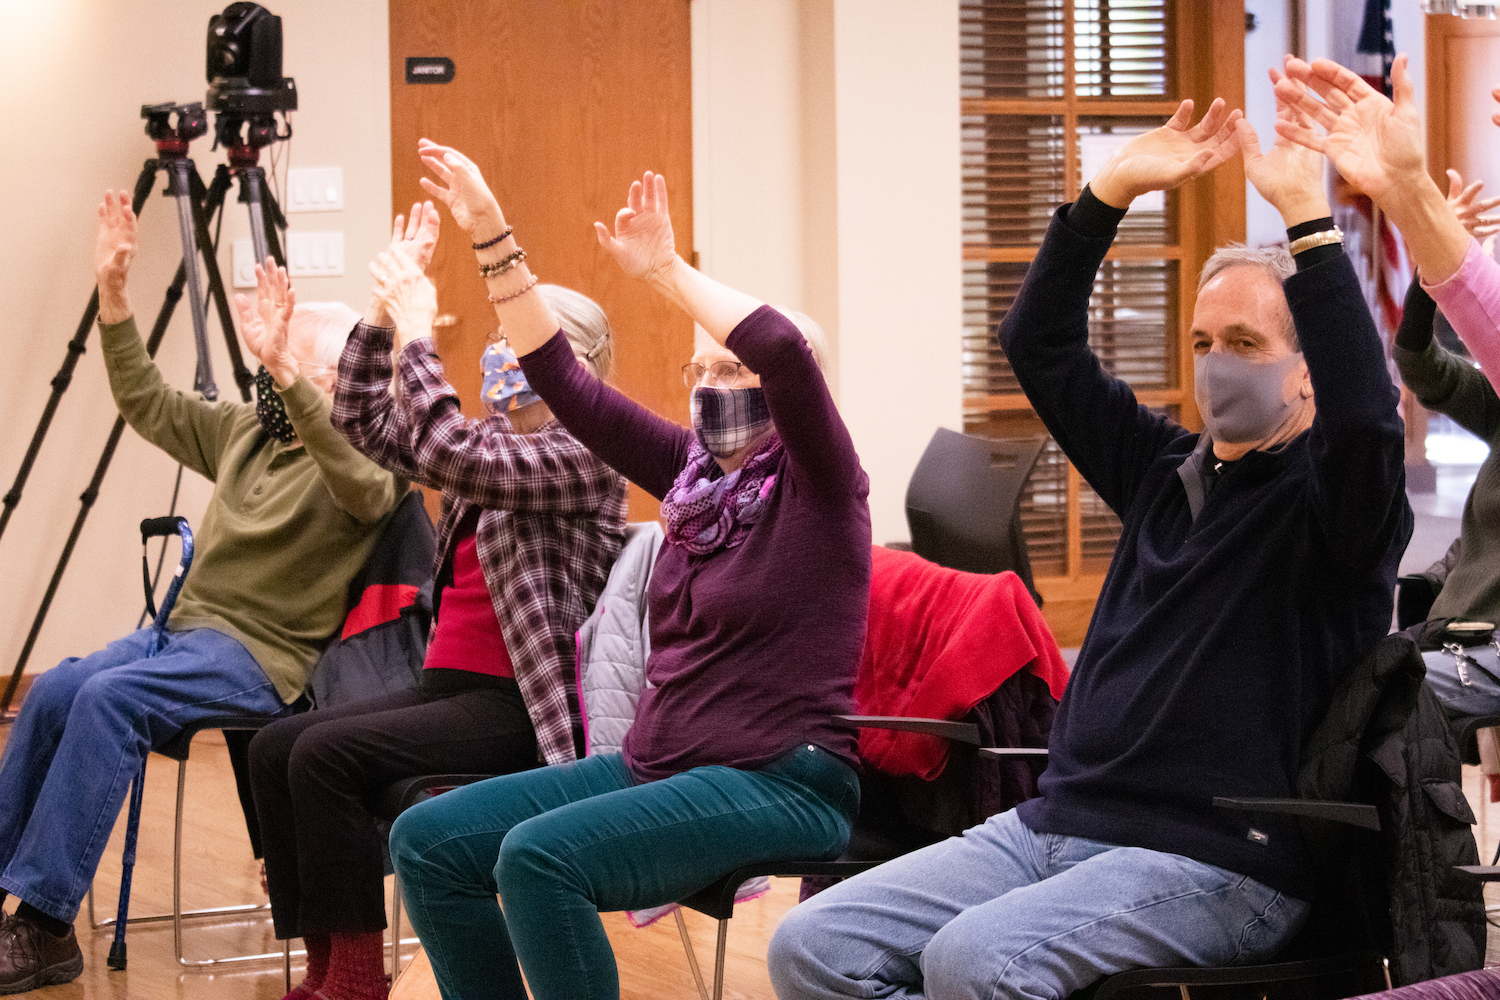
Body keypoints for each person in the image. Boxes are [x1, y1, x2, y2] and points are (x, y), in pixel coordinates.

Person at [769, 85, 1411, 1000]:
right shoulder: (1163, 468)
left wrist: (1309, 219)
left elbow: (1370, 424)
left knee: (974, 962)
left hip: (1226, 859)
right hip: (1057, 824)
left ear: (1308, 372)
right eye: (1200, 341)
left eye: (1242, 341)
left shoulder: (1338, 507)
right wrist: (1106, 190)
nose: (1215, 363)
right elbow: (1039, 343)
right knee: (811, 944)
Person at [380, 143, 868, 1000]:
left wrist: (667, 270)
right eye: (703, 370)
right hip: (661, 764)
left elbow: (784, 349)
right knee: (428, 839)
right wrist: (493, 234)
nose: (715, 386)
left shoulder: (824, 486)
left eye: (734, 367)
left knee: (539, 858)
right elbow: (564, 382)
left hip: (784, 779)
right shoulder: (690, 477)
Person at [0, 191, 403, 994]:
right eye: (266, 360)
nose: (266, 376)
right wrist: (114, 300)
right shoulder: (247, 432)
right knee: (56, 692)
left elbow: (367, 493)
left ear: (331, 382)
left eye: (284, 362)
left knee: (110, 699)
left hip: (262, 658)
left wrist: (291, 375)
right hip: (181, 631)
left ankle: (44, 928)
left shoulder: (364, 460)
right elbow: (147, 402)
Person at [246, 202, 628, 1000]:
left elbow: (448, 448)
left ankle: (353, 980)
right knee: (274, 746)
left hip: (520, 704)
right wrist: (383, 315)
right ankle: (326, 967)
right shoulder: (491, 442)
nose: (498, 349)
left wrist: (422, 334)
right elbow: (360, 421)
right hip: (448, 686)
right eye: (495, 335)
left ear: (576, 362)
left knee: (324, 756)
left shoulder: (585, 453)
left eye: (518, 339)